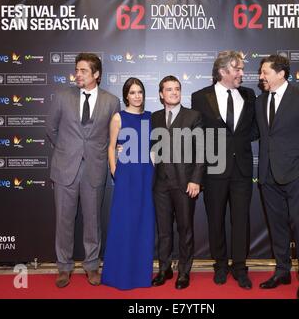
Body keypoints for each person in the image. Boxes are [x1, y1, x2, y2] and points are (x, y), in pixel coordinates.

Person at [46, 53, 120, 288]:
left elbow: (113, 137)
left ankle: (91, 266)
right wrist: (68, 150)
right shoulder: (62, 97)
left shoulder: (111, 101)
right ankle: (64, 267)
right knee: (64, 221)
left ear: (96, 75)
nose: (78, 74)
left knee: (93, 221)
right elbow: (51, 129)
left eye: (83, 71)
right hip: (65, 168)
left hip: (95, 169)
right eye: (76, 70)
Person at [255, 55, 299, 299]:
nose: (261, 77)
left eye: (265, 72)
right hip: (267, 175)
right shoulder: (260, 101)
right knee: (277, 227)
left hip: (295, 174)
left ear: (281, 73)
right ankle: (282, 271)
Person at [191, 51, 257, 289]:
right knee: (215, 219)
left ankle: (240, 267)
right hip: (214, 169)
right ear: (223, 72)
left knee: (241, 220)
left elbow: (254, 129)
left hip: (242, 169)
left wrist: (237, 146)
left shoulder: (250, 95)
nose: (242, 73)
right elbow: (197, 135)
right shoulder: (200, 97)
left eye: (241, 69)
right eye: (237, 69)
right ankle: (220, 265)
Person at [150, 76, 204, 290]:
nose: (173, 92)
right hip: (160, 184)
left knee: (185, 229)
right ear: (161, 94)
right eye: (169, 89)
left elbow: (201, 150)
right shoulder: (154, 117)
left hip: (185, 183)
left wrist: (195, 180)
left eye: (177, 89)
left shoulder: (193, 116)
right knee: (163, 230)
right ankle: (164, 269)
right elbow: (152, 147)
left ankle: (184, 271)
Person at [101, 78, 155, 290]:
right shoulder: (118, 117)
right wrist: (115, 170)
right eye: (132, 92)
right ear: (126, 96)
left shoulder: (151, 117)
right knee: (124, 222)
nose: (137, 96)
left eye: (140, 92)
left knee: (144, 223)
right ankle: (119, 274)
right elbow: (111, 146)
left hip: (146, 174)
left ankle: (141, 275)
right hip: (127, 175)